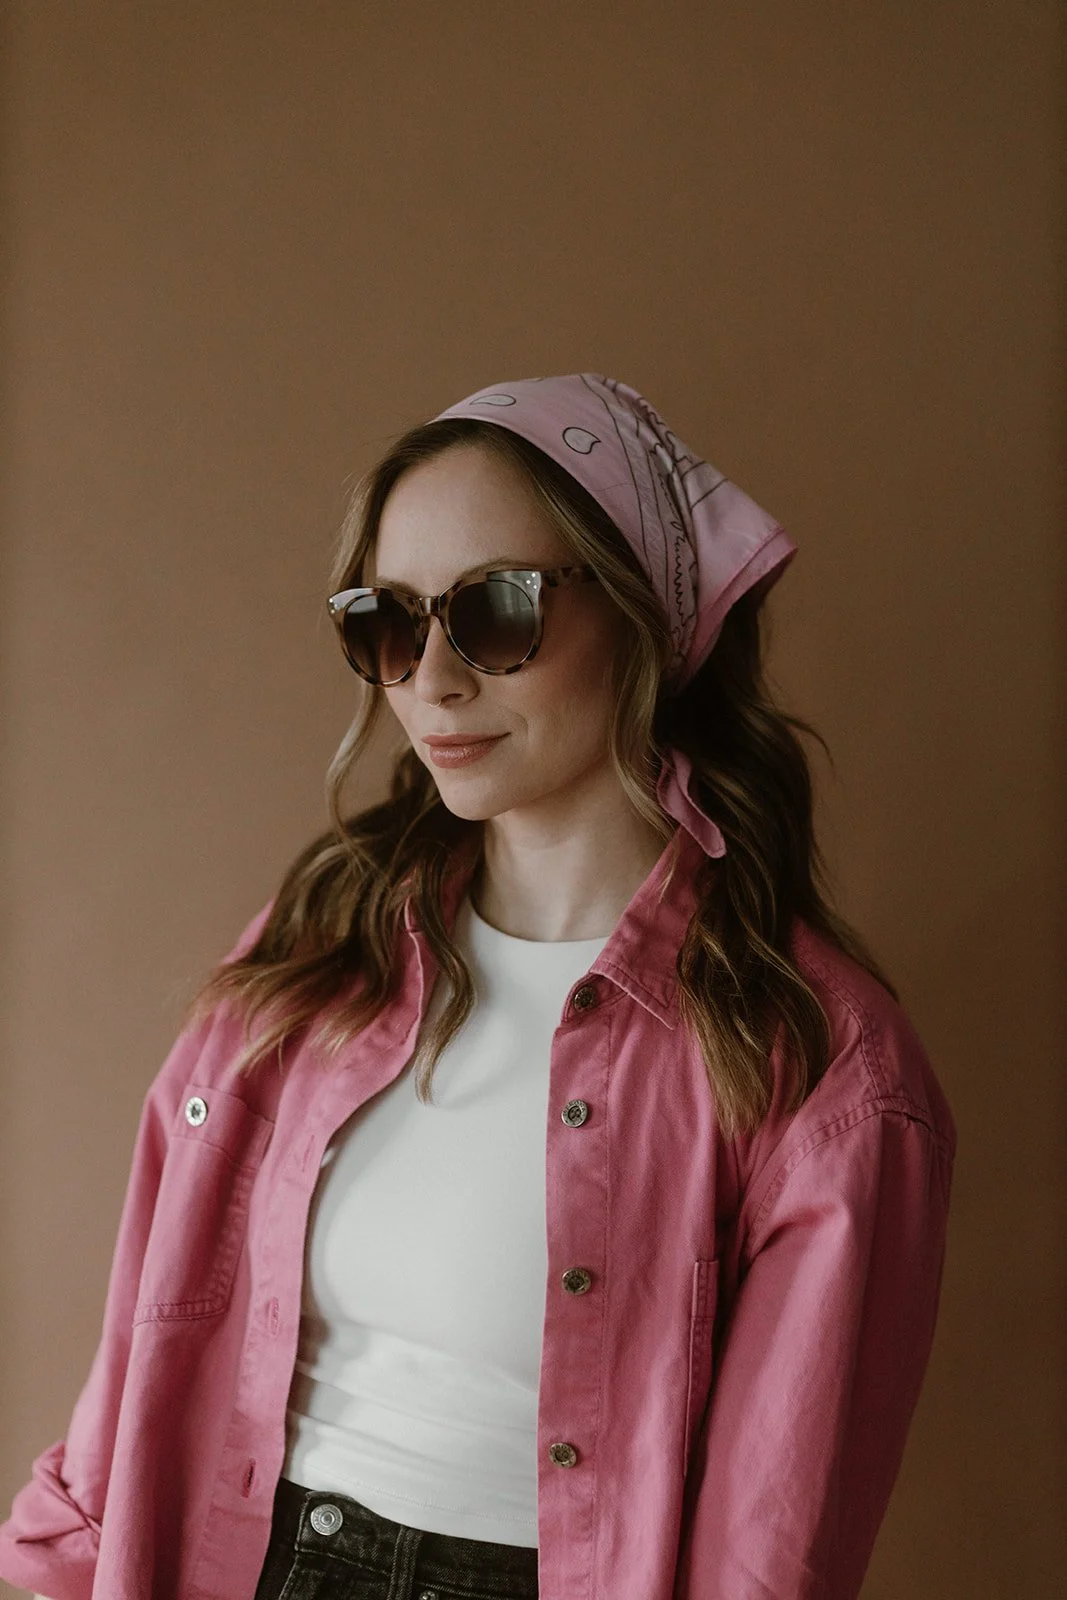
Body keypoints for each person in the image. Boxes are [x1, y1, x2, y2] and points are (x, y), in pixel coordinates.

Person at [1, 373, 956, 1600]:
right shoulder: (318, 948)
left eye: (496, 612)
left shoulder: (813, 1061)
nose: (432, 681)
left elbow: (768, 1548)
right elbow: (146, 1321)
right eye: (386, 622)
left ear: (648, 617)